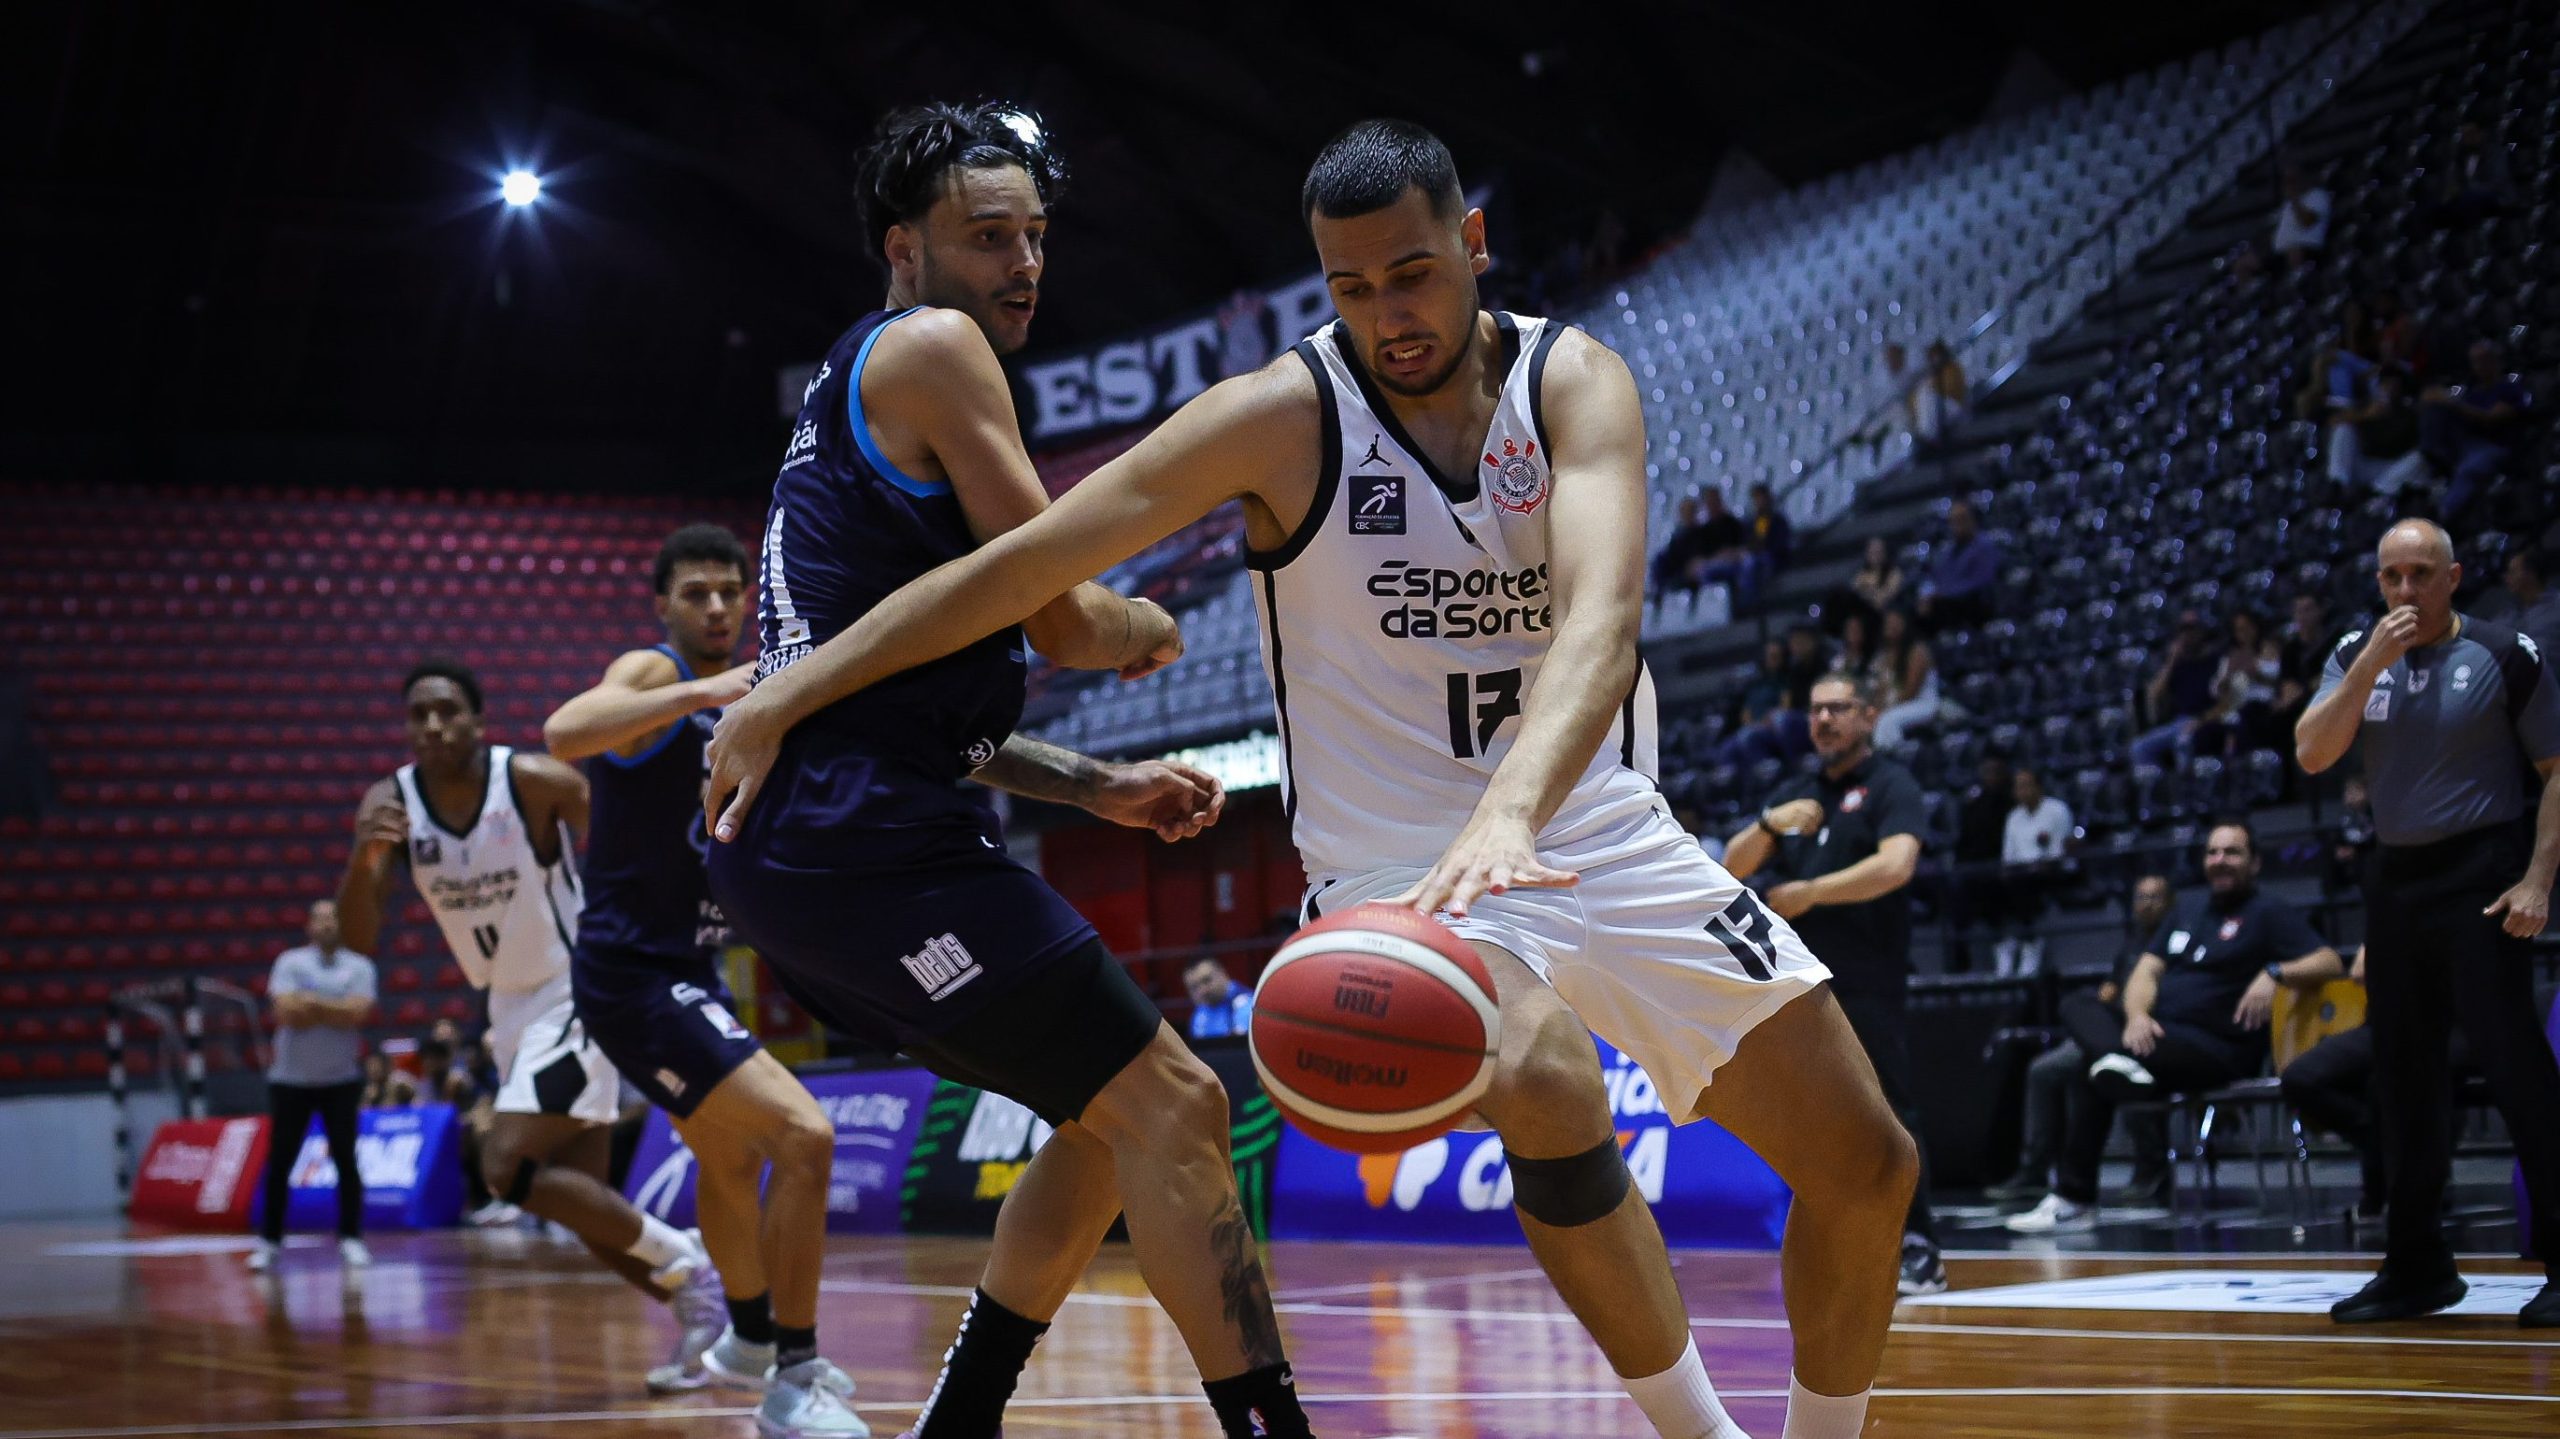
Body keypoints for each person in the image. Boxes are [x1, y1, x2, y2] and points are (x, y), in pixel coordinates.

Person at [708, 117, 1919, 1439]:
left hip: (1598, 823)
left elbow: (1601, 623)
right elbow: (1019, 569)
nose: (1387, 315)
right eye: (1351, 288)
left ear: (1472, 243)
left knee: (1869, 1160)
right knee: (1548, 1077)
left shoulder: (1576, 383)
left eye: (1411, 276)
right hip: (1400, 868)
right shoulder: (1282, 413)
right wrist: (788, 686)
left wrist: (1517, 807)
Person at [698, 102, 1310, 1439]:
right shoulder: (934, 349)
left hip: (828, 842)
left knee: (1108, 1116)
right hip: (855, 846)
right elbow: (1068, 612)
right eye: (988, 238)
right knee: (1181, 1099)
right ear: (901, 246)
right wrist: (1153, 625)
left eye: (1035, 235)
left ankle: (957, 1420)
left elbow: (908, 692)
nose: (1023, 263)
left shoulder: (863, 385)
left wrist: (1092, 786)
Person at [539, 524, 871, 1431]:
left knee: (728, 1160)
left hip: (691, 964)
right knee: (804, 1136)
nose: (718, 606)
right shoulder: (650, 674)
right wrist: (705, 689)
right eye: (696, 593)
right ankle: (794, 1380)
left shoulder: (768, 680)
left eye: (730, 590)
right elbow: (565, 730)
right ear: (664, 605)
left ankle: (751, 1338)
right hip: (631, 971)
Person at [337, 658, 721, 1388]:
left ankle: (695, 1261)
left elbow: (630, 838)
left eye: (447, 710)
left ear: (479, 722)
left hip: (577, 985)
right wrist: (365, 857)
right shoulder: (392, 803)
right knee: (590, 1211)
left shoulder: (532, 780)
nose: (432, 725)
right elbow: (359, 939)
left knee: (505, 1164)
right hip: (508, 1008)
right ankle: (712, 1321)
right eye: (418, 714)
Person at [2295, 518, 2560, 1326]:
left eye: (2420, 573)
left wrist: (2538, 879)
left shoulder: (2502, 652)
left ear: (2453, 577)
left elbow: (2556, 769)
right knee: (2403, 1078)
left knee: (2514, 1065)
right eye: (2391, 576)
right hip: (2396, 877)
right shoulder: (2354, 655)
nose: (2405, 591)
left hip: (2482, 871)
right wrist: (2371, 660)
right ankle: (2417, 1263)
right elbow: (2312, 752)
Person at [2006, 819, 2344, 1233]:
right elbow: (2146, 971)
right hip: (2157, 1035)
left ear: (2255, 862)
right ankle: (2116, 1065)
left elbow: (2329, 962)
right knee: (2077, 1004)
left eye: (2232, 852)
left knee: (2088, 1071)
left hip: (2217, 1049)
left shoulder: (2268, 912)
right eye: (2213, 852)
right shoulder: (2187, 908)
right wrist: (2136, 1018)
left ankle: (2076, 1195)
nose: (2220, 861)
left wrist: (2275, 971)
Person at [1721, 675, 1942, 1296]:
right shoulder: (1795, 791)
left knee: (1889, 1109)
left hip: (1867, 977)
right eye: (1815, 709)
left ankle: (1920, 1247)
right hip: (1796, 983)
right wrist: (1768, 824)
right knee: (1812, 1115)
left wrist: (1812, 893)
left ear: (1868, 717)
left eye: (1838, 708)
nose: (1823, 719)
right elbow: (1728, 868)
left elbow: (1896, 866)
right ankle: (1837, 1249)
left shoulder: (1891, 784)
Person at [1986, 874, 2175, 1204]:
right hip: (2111, 1034)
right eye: (2140, 897)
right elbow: (2112, 987)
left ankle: (2152, 1167)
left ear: (2170, 902)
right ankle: (2035, 1169)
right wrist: (2107, 995)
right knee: (2044, 1069)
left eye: (2154, 897)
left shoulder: (2179, 939)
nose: (2146, 904)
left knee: (2123, 1069)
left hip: (2150, 1032)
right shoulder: (2130, 944)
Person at [247, 898, 378, 1273]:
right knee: (281, 1163)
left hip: (340, 1081)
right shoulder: (289, 963)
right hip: (290, 1081)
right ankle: (269, 1242)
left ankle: (351, 1239)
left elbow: (357, 1015)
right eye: (319, 919)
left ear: (342, 925)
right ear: (309, 926)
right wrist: (334, 1008)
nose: (326, 925)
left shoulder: (360, 966)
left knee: (347, 1163)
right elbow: (287, 1013)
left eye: (332, 918)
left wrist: (312, 1004)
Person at [2418, 340, 2529, 522]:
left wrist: (2452, 403)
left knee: (2468, 470)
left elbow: (2492, 417)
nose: (2479, 366)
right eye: (2475, 361)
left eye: (2484, 359)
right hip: (2468, 443)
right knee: (2434, 408)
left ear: (2495, 360)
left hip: (2497, 447)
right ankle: (2434, 460)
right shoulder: (2473, 391)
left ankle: (2443, 516)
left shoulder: (2508, 388)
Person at [1993, 767, 2075, 977]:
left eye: (2026, 785)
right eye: (2018, 786)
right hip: (2022, 873)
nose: (2021, 791)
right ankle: (2009, 944)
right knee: (1989, 885)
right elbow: (2008, 856)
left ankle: (2029, 944)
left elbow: (2059, 851)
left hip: (2054, 870)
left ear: (2039, 787)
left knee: (2023, 884)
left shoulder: (2057, 810)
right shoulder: (2013, 817)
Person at [2130, 611, 2229, 770]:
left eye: (2192, 629)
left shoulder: (2216, 661)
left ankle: (2186, 790)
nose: (2187, 635)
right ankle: (2158, 791)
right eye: (2183, 630)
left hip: (2206, 719)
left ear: (2202, 632)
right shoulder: (2178, 665)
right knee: (2139, 748)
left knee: (2183, 741)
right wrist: (2172, 660)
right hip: (2180, 721)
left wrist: (2204, 719)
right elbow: (2154, 695)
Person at [2325, 364, 2426, 496]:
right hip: (2365, 466)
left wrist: (2389, 416)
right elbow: (2333, 421)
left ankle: (2375, 495)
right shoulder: (2368, 406)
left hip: (2390, 470)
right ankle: (2337, 486)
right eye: (2385, 383)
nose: (2389, 388)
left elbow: (2403, 446)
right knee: (2344, 428)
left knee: (2418, 459)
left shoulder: (2408, 414)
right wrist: (2366, 415)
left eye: (2394, 385)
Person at [1914, 500, 1998, 632]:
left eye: (1962, 519)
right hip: (1949, 602)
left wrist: (1943, 594)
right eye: (1953, 521)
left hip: (1973, 603)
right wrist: (1928, 594)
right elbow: (1936, 576)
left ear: (1972, 520)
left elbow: (1981, 581)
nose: (1957, 525)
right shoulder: (1948, 550)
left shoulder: (1984, 546)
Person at [1868, 607, 1939, 750]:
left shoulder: (1917, 651)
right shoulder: (1882, 657)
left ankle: (1896, 756)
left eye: (1896, 622)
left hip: (1922, 703)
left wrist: (1885, 708)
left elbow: (1910, 691)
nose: (1892, 626)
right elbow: (1879, 690)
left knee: (1887, 721)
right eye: (1889, 623)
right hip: (1895, 704)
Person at [2475, 549, 2560, 661]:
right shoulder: (2510, 611)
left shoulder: (2556, 606)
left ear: (2530, 575)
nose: (2506, 577)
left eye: (2512, 572)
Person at [2270, 162, 2331, 267]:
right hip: (2281, 253)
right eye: (2286, 181)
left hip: (2306, 249)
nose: (2289, 185)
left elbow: (2306, 222)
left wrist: (2294, 198)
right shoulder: (2288, 203)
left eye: (2292, 180)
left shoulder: (2317, 196)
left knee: (2295, 254)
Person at [1183, 958, 1254, 1041]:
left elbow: (1238, 1046)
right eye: (1194, 987)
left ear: (1223, 974)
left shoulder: (1247, 1004)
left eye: (1207, 980)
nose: (1203, 991)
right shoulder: (1199, 1013)